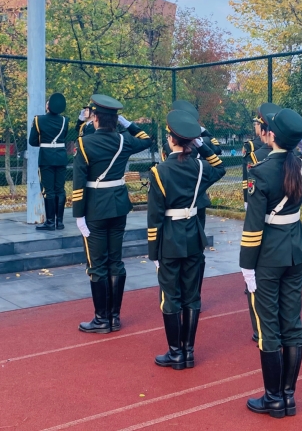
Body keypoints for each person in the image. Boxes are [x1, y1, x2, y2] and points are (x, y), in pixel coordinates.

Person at [241, 108, 302, 419]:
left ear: (271, 135)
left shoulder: (260, 172)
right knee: (292, 324)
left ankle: (273, 399)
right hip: (294, 251)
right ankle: (288, 396)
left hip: (268, 255)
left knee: (268, 326)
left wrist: (246, 265)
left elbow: (253, 225)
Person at [148, 110, 227, 370]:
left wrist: (153, 252)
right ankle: (189, 352)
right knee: (192, 297)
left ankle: (175, 353)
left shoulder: (159, 171)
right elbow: (220, 167)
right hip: (193, 235)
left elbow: (155, 217)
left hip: (169, 239)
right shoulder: (200, 167)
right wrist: (202, 146)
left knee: (170, 297)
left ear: (171, 139)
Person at [73, 94, 153, 334]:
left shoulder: (85, 143)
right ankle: (114, 317)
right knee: (115, 261)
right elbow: (146, 139)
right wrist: (127, 124)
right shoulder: (124, 140)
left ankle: (101, 319)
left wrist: (79, 215)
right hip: (118, 206)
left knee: (97, 264)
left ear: (95, 119)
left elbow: (79, 181)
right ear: (116, 121)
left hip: (95, 208)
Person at [160, 100, 224, 298]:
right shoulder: (182, 141)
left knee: (189, 251)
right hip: (190, 196)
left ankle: (187, 293)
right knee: (187, 251)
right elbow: (215, 154)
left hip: (187, 198)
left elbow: (217, 150)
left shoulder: (190, 139)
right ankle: (189, 294)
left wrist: (200, 134)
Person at [245, 103, 281, 343]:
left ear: (267, 131)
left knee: (259, 283)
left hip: (265, 230)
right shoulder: (299, 161)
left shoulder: (257, 159)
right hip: (289, 235)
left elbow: (252, 196)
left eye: (258, 125)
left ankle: (262, 330)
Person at [29, 93, 70, 231]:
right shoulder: (65, 120)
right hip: (61, 157)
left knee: (48, 191)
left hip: (46, 157)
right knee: (60, 189)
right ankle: (60, 222)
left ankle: (50, 222)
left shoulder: (38, 120)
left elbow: (32, 141)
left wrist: (44, 142)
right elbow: (64, 137)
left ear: (48, 106)